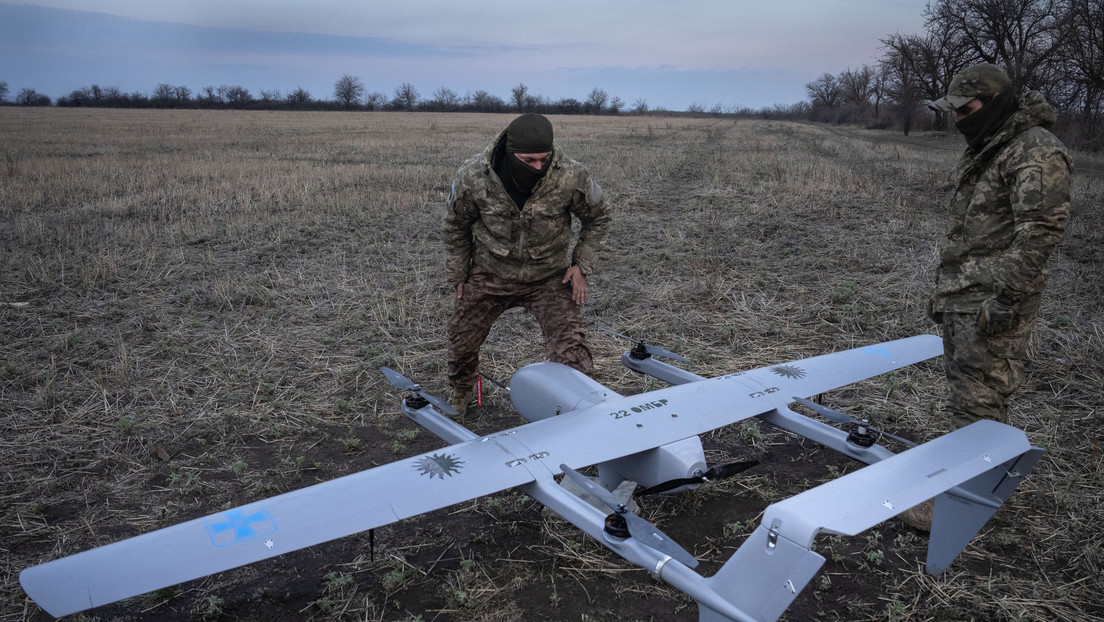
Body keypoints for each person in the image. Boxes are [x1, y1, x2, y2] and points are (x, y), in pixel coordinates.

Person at [902, 63, 1072, 531]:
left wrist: (1007, 298)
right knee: (966, 393)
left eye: (968, 109)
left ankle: (964, 500)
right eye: (954, 111)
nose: (959, 119)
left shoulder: (1034, 151)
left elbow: (1039, 232)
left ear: (995, 101)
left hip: (992, 300)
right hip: (966, 292)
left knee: (979, 398)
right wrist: (948, 288)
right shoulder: (993, 144)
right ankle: (973, 480)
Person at [443, 113, 611, 418]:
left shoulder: (570, 175)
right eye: (529, 160)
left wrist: (581, 266)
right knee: (461, 337)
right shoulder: (474, 175)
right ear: (510, 152)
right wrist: (459, 274)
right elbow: (455, 224)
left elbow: (598, 217)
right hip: (491, 271)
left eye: (544, 159)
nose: (538, 167)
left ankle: (580, 410)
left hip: (549, 276)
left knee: (571, 351)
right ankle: (461, 389)